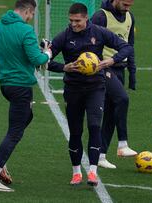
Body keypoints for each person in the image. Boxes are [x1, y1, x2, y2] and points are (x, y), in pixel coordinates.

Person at [47, 3, 132, 186]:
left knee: (95, 126)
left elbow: (126, 48)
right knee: (76, 131)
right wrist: (64, 67)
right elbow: (45, 60)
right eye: (71, 21)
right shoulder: (64, 36)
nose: (74, 24)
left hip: (95, 87)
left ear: (86, 18)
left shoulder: (99, 32)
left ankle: (93, 172)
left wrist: (111, 60)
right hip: (73, 89)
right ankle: (76, 172)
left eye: (77, 21)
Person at [0, 0, 52, 192]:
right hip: (20, 86)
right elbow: (37, 60)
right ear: (28, 10)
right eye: (31, 15)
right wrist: (47, 52)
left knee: (27, 116)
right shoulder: (25, 30)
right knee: (15, 132)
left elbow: (12, 50)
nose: (30, 19)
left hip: (6, 84)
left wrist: (35, 50)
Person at [91, 0, 137, 169]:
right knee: (122, 99)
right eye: (125, 4)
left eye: (130, 5)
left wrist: (132, 72)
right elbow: (90, 40)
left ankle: (101, 155)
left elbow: (130, 45)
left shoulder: (130, 17)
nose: (128, 8)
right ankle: (122, 144)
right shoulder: (101, 16)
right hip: (103, 68)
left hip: (120, 69)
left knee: (111, 112)